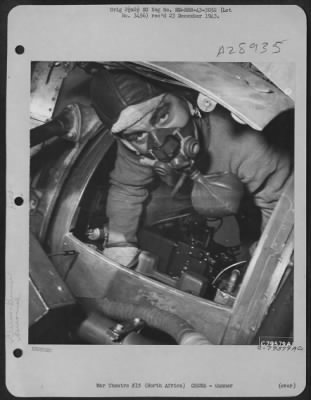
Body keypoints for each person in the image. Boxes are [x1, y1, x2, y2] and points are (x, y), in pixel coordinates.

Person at [89, 68, 292, 266]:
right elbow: (128, 188)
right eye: (138, 135)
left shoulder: (249, 143)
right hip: (189, 190)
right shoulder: (135, 149)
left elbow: (278, 206)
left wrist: (266, 253)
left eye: (162, 116)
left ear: (185, 99)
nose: (161, 143)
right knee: (147, 214)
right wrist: (120, 243)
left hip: (262, 191)